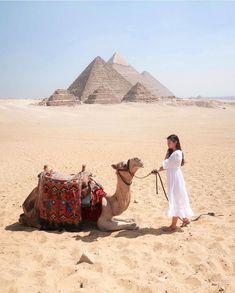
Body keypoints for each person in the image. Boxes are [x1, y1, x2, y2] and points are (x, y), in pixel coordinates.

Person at [152, 134, 193, 231]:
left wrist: (159, 167)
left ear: (175, 142)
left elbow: (168, 164)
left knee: (176, 198)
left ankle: (173, 225)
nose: (168, 144)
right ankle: (185, 219)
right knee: (177, 198)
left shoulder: (177, 153)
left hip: (176, 178)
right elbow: (167, 165)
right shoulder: (172, 153)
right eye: (167, 142)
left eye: (169, 142)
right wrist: (158, 170)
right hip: (172, 177)